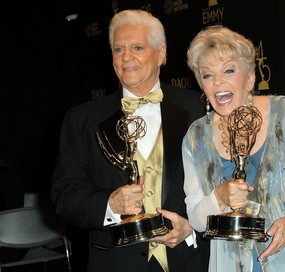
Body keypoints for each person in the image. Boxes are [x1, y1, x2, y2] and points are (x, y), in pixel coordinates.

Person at [51, 9, 209, 272]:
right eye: (118, 49)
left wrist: (191, 228)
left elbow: (220, 187)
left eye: (137, 47)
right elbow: (65, 196)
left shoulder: (198, 109)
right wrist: (109, 204)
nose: (126, 58)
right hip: (115, 263)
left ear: (160, 54)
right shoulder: (82, 120)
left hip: (186, 259)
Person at [182, 25, 285, 272]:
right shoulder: (196, 137)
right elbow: (196, 218)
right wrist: (219, 198)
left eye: (228, 70)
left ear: (250, 78)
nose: (218, 83)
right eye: (207, 75)